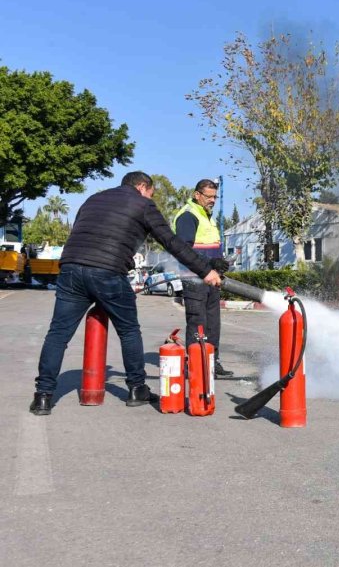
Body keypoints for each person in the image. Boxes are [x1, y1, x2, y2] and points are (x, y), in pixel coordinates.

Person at [30, 172, 222, 416]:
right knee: (129, 330)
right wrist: (205, 271)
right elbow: (172, 242)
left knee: (58, 333)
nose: (151, 197)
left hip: (70, 269)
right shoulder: (143, 204)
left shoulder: (93, 199)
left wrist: (124, 259)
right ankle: (136, 388)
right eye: (151, 193)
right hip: (108, 274)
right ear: (142, 187)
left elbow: (88, 235)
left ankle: (43, 396)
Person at [174, 178, 232, 378]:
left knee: (213, 323)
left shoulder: (207, 216)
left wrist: (220, 261)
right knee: (198, 322)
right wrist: (210, 262)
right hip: (194, 280)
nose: (213, 200)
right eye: (209, 196)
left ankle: (212, 362)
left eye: (215, 197)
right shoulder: (188, 216)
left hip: (211, 278)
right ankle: (196, 365)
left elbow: (209, 245)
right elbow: (184, 249)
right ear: (197, 195)